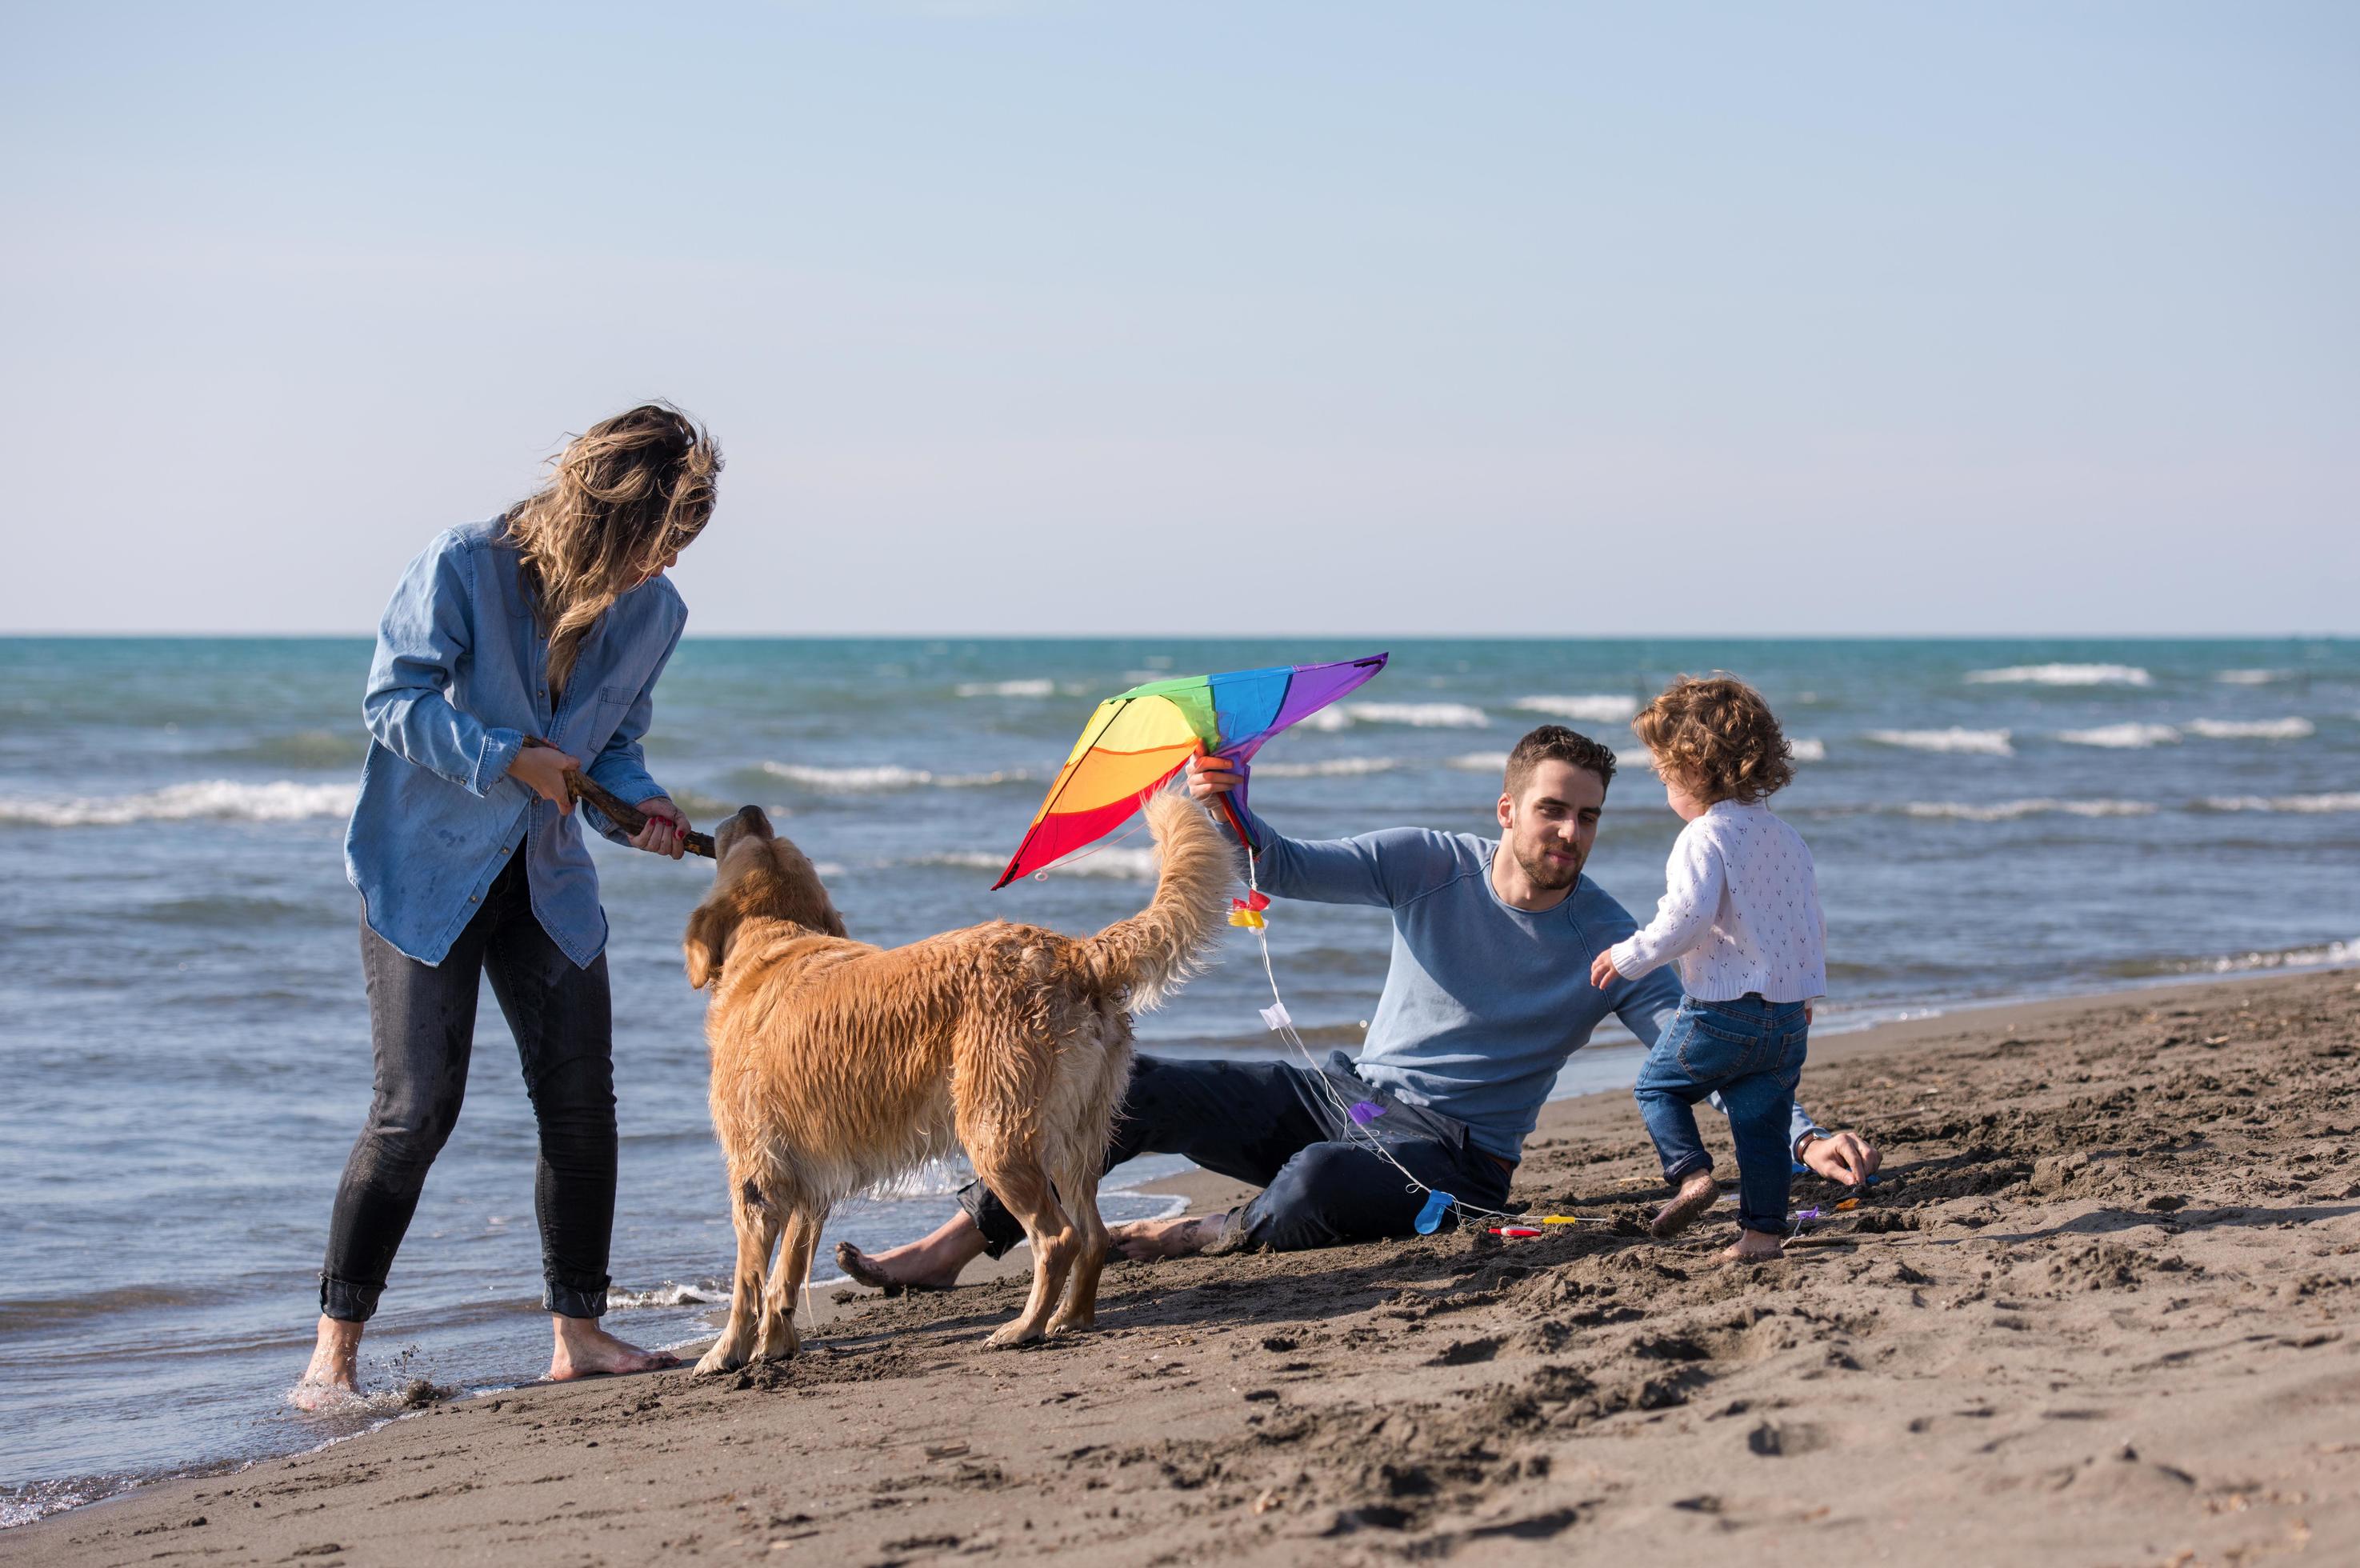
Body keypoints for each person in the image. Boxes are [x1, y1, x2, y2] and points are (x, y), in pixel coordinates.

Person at [838, 724, 1878, 1290]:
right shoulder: (1428, 863)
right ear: (1507, 810)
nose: (1569, 833)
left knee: (1315, 1187)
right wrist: (1227, 799)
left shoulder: (1613, 937)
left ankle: (1188, 1239)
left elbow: (1700, 1046)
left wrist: (1802, 1134)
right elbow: (1280, 862)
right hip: (1346, 1093)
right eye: (1551, 810)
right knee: (1128, 1085)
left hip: (1454, 1152)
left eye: (1589, 818)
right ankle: (955, 1249)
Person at [294, 404, 718, 1406]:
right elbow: (393, 701)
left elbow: (611, 747)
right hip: (423, 869)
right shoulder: (462, 564)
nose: (664, 566)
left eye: (683, 546)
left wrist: (642, 808)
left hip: (549, 878)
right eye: (657, 540)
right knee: (414, 1112)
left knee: (581, 1104)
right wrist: (504, 759)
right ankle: (332, 1358)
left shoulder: (657, 614)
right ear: (605, 511)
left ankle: (578, 1333)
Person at [1588, 675, 1826, 1262]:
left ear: (1694, 769)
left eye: (1665, 774)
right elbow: (1807, 920)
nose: (1664, 787)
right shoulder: (1786, 837)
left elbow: (1685, 920)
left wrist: (1626, 957)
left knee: (1657, 1086)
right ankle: (1761, 1236)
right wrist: (1804, 989)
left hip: (1722, 1013)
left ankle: (1691, 1175)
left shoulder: (1703, 836)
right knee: (1763, 1129)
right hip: (1787, 1018)